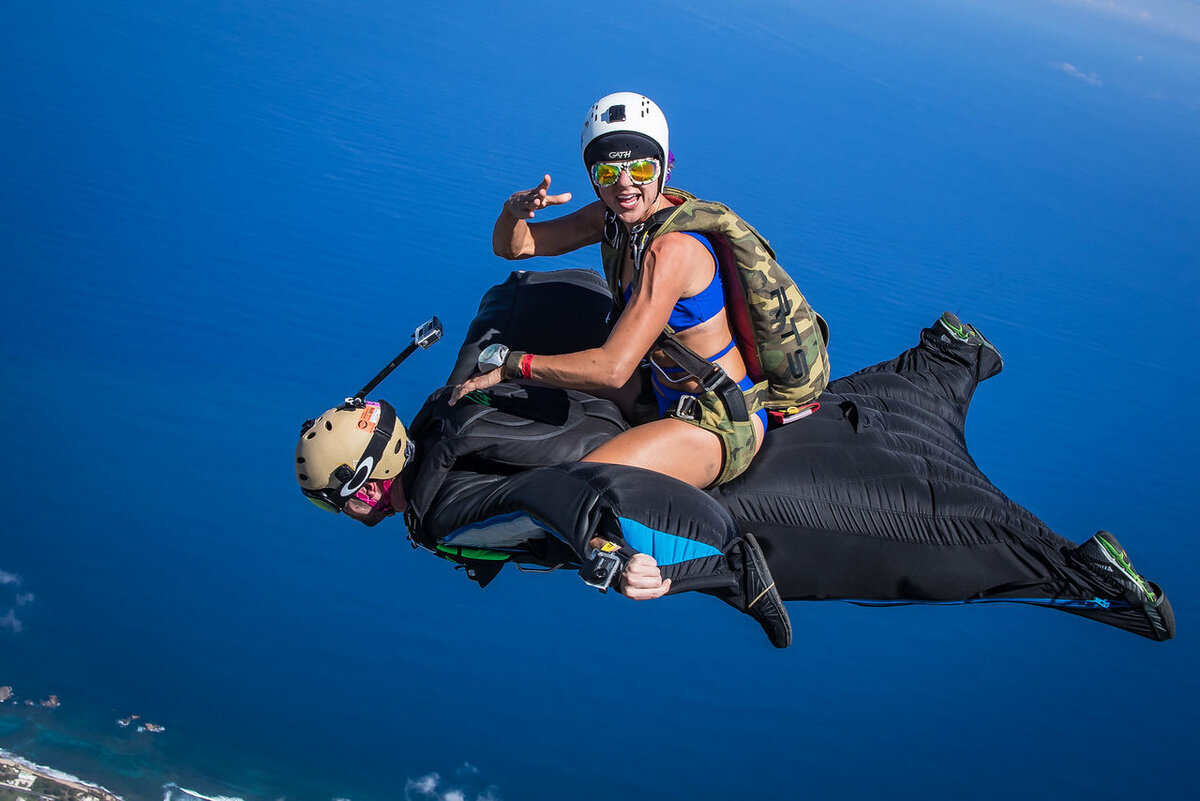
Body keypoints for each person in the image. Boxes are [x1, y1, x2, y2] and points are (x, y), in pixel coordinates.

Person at [449, 92, 827, 492]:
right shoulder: (610, 220)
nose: (626, 186)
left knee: (581, 487)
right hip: (656, 392)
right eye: (608, 173)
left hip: (714, 418)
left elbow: (612, 370)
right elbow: (516, 247)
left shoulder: (673, 251)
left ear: (664, 168)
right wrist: (512, 212)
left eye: (642, 169)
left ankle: (638, 556)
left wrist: (513, 363)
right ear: (593, 176)